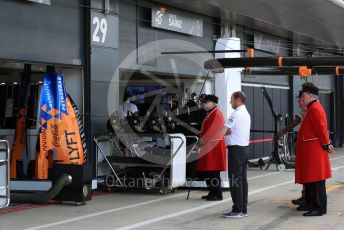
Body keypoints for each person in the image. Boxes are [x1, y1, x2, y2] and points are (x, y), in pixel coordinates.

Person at [295, 83, 334, 216]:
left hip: (314, 150)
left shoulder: (315, 108)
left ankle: (319, 208)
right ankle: (312, 205)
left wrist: (325, 143)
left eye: (304, 96)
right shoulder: (313, 108)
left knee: (317, 180)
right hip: (311, 150)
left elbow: (321, 128)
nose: (302, 99)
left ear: (310, 96)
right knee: (312, 179)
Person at [221, 91, 251, 218]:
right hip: (244, 149)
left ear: (238, 100)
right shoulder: (246, 113)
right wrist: (228, 130)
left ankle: (237, 210)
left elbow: (223, 131)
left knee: (235, 180)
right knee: (242, 180)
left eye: (231, 99)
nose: (230, 102)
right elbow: (228, 130)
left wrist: (226, 131)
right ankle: (242, 208)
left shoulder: (236, 114)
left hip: (236, 150)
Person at [277, 90, 307, 206]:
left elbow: (296, 121)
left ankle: (308, 198)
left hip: (309, 146)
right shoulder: (306, 109)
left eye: (300, 100)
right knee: (305, 172)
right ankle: (306, 196)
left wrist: (283, 131)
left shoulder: (311, 109)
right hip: (304, 144)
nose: (299, 103)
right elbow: (297, 121)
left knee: (308, 173)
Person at [196, 94, 227, 201]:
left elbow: (212, 131)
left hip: (214, 146)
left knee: (213, 171)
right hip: (209, 146)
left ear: (213, 103)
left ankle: (217, 193)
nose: (204, 104)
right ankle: (212, 191)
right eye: (203, 102)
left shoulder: (216, 114)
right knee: (208, 171)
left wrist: (201, 142)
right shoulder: (210, 113)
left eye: (206, 102)